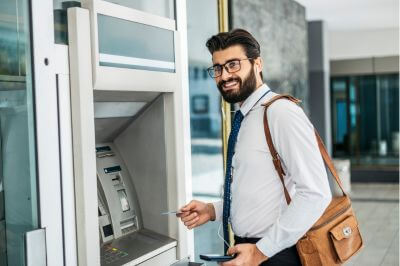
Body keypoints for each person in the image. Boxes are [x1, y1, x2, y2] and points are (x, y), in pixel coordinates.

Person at [179, 29, 332, 266]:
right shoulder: (246, 116)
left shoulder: (281, 113)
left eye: (233, 65)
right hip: (252, 249)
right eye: (217, 68)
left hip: (277, 252)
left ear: (257, 63)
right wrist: (213, 210)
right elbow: (257, 190)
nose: (224, 75)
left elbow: (316, 194)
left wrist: (261, 251)